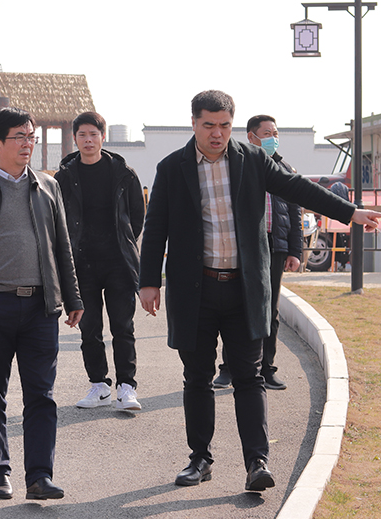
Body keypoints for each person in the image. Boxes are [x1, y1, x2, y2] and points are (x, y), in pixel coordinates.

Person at [138, 90, 380, 492]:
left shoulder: (252, 160)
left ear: (232, 125)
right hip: (195, 291)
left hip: (244, 290)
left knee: (249, 377)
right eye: (208, 125)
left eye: (224, 125)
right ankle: (200, 459)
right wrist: (148, 281)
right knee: (197, 378)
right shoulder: (171, 168)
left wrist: (350, 212)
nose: (217, 134)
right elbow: (156, 226)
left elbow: (298, 188)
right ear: (194, 123)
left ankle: (257, 462)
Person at [0, 107, 84, 501]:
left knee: (42, 395)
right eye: (19, 137)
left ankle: (39, 476)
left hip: (40, 309)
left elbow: (62, 247)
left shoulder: (48, 187)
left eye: (31, 136)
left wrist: (72, 296)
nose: (28, 144)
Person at [55, 112, 144, 411]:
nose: (88, 140)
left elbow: (137, 216)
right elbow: (57, 219)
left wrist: (123, 243)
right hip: (81, 265)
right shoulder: (64, 177)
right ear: (75, 138)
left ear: (103, 137)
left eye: (94, 134)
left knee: (123, 326)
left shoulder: (124, 173)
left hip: (118, 263)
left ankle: (127, 387)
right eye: (82, 135)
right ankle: (99, 386)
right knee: (89, 329)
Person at [213, 115, 301, 391]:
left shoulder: (285, 169)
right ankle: (228, 368)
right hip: (245, 245)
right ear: (251, 137)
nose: (273, 138)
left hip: (276, 246)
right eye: (267, 133)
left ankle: (267, 368)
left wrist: (295, 250)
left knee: (269, 310)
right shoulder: (238, 166)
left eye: (275, 133)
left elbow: (295, 213)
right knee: (236, 306)